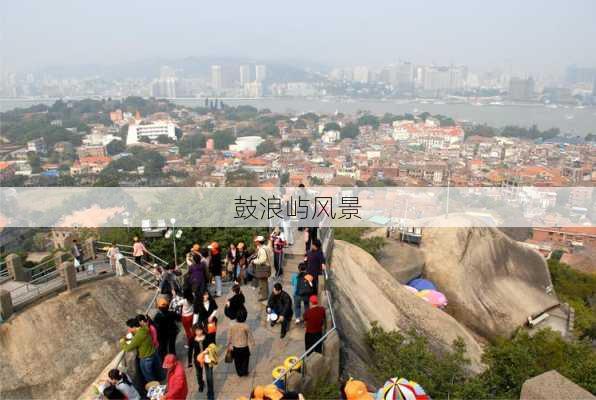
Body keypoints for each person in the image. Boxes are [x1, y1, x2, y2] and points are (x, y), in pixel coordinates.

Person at [120, 317, 161, 383]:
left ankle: (154, 386)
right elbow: (137, 337)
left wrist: (122, 342)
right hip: (153, 352)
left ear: (133, 327)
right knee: (158, 369)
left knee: (148, 375)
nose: (128, 329)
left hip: (146, 357)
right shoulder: (144, 328)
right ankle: (162, 378)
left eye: (129, 327)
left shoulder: (139, 335)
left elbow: (128, 348)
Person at [188, 323, 215, 399]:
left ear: (202, 329)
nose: (198, 332)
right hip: (198, 360)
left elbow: (212, 346)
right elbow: (190, 351)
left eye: (199, 330)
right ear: (194, 331)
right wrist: (190, 362)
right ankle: (201, 384)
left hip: (208, 358)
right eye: (196, 331)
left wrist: (208, 350)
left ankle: (210, 393)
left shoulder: (208, 337)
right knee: (198, 374)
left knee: (209, 376)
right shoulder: (192, 339)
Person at [227, 307, 254, 377]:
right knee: (245, 360)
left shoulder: (232, 326)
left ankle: (239, 373)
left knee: (237, 361)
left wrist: (229, 344)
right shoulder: (246, 326)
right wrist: (252, 343)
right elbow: (250, 336)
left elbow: (229, 336)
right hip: (244, 347)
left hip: (235, 347)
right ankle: (245, 372)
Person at [252, 236, 272, 301]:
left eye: (256, 241)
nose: (255, 242)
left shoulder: (262, 249)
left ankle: (264, 296)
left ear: (259, 242)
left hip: (263, 267)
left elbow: (262, 259)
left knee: (262, 282)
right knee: (264, 281)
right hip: (266, 266)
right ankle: (264, 292)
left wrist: (254, 261)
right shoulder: (265, 247)